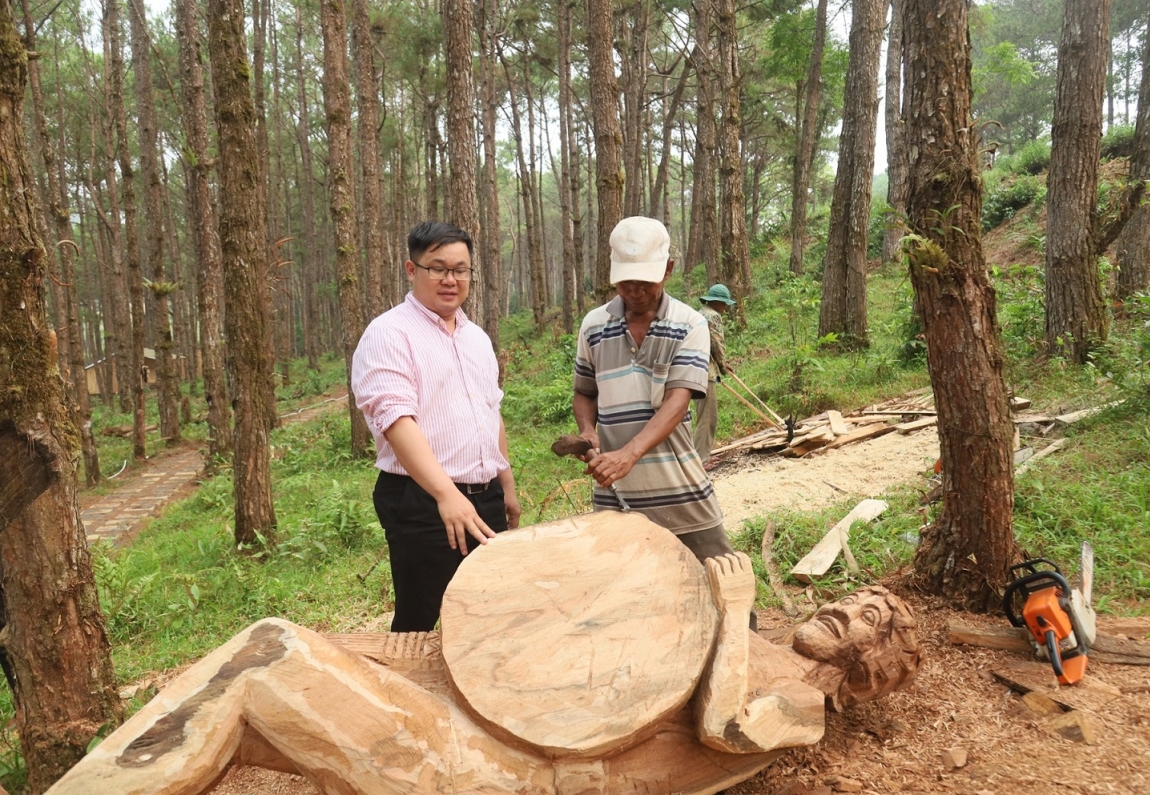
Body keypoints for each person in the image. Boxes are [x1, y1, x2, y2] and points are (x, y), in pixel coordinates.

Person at [45, 528, 922, 795]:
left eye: (871, 617)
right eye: (860, 597)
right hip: (496, 738)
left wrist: (731, 611)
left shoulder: (800, 705)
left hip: (510, 776)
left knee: (264, 661)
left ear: (870, 669)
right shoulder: (738, 636)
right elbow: (457, 664)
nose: (851, 605)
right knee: (272, 656)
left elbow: (725, 726)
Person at [352, 220, 520, 633]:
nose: (450, 279)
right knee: (421, 617)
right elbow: (395, 420)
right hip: (422, 501)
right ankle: (407, 694)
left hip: (485, 496)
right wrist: (445, 494)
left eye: (460, 269)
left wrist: (506, 486)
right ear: (412, 270)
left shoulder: (476, 337)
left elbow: (489, 411)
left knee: (490, 613)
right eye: (438, 268)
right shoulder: (389, 334)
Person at [572, 216, 738, 574]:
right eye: (625, 282)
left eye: (645, 282)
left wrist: (628, 455)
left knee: (719, 573)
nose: (635, 291)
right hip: (615, 492)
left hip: (679, 487)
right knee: (626, 586)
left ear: (668, 269)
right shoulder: (593, 326)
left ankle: (744, 633)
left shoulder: (690, 323)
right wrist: (587, 429)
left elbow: (677, 401)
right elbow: (585, 392)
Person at [693, 283, 736, 464]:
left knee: (702, 414)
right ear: (717, 302)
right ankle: (701, 460)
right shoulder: (713, 316)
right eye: (724, 304)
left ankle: (701, 455)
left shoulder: (698, 314)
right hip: (705, 371)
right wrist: (723, 366)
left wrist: (723, 364)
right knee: (708, 417)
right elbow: (716, 343)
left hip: (692, 370)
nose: (726, 308)